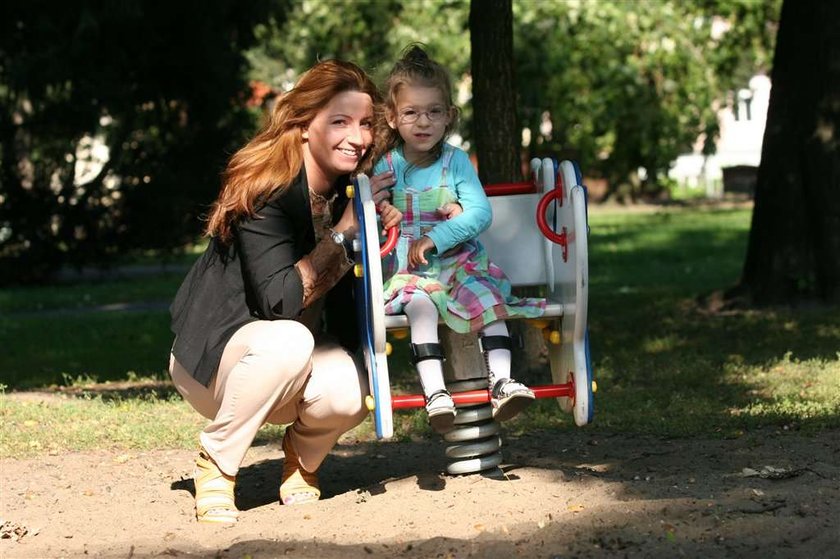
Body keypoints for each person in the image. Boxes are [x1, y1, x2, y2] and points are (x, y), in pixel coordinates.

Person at [168, 59, 401, 524]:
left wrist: (380, 237)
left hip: (288, 364)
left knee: (353, 389)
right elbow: (280, 301)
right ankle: (215, 465)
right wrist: (342, 234)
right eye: (339, 122)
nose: (357, 138)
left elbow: (370, 294)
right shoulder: (266, 190)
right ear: (302, 127)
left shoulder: (350, 193)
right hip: (218, 362)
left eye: (364, 124)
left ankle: (301, 459)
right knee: (290, 338)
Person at [367, 45, 545, 434]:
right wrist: (385, 213)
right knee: (421, 310)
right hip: (411, 273)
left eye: (434, 112)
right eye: (411, 112)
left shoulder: (456, 161)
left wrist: (435, 236)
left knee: (489, 300)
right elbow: (370, 217)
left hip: (461, 266)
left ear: (449, 116)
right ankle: (436, 393)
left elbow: (480, 213)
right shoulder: (388, 165)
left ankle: (502, 382)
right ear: (393, 118)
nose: (423, 122)